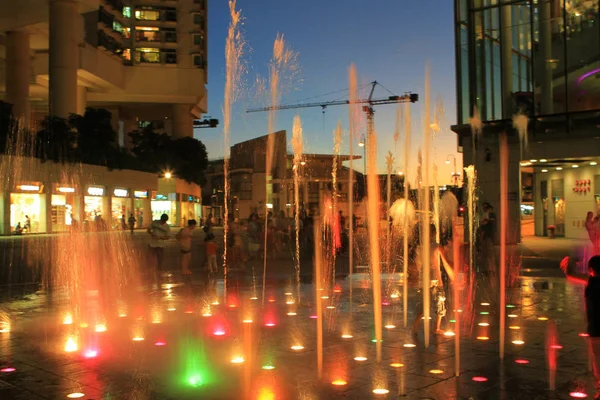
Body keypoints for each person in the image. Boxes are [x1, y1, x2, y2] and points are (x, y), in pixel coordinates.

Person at [412, 224, 455, 336]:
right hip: (436, 280)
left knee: (424, 305)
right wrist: (452, 276)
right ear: (434, 234)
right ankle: (436, 328)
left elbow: (418, 266)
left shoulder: (420, 248)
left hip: (424, 280)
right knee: (440, 302)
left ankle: (415, 327)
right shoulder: (437, 246)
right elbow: (445, 263)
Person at [585, 255, 600, 399]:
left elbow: (571, 275)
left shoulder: (591, 283)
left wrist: (568, 266)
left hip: (595, 329)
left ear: (591, 269)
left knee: (597, 358)